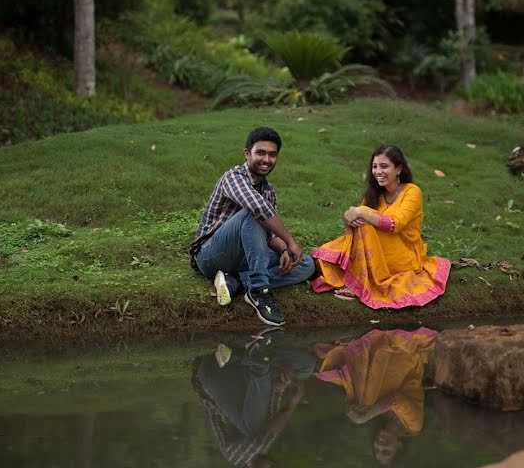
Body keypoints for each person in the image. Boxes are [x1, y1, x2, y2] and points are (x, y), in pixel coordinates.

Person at [191, 126, 315, 327]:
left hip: (244, 257)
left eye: (272, 155)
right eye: (261, 153)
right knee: (253, 211)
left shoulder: (268, 192)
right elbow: (257, 209)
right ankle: (258, 289)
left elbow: (265, 235)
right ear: (247, 153)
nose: (266, 159)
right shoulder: (233, 177)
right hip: (211, 255)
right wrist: (290, 241)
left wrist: (284, 249)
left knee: (304, 263)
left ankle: (237, 282)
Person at [310, 144, 450, 309]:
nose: (378, 171)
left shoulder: (412, 192)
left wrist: (362, 212)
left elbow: (395, 224)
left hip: (402, 253)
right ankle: (358, 277)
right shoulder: (375, 193)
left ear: (398, 169)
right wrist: (349, 217)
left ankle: (358, 286)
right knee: (323, 259)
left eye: (384, 166)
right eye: (375, 166)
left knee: (364, 225)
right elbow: (357, 218)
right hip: (374, 248)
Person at [313, 328, 439, 466]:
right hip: (403, 357)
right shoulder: (413, 425)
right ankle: (363, 345)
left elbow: (359, 392)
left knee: (361, 400)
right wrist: (369, 414)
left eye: (377, 449)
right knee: (367, 400)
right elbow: (396, 400)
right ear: (400, 446)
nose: (379, 445)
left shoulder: (382, 418)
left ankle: (356, 347)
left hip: (378, 362)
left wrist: (351, 407)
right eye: (386, 451)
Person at [192, 328, 315, 467]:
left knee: (254, 429)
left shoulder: (236, 458)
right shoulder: (266, 439)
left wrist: (292, 405)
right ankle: (250, 353)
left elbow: (265, 437)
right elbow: (272, 401)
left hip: (212, 375)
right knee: (306, 366)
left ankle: (254, 357)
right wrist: (282, 382)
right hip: (239, 369)